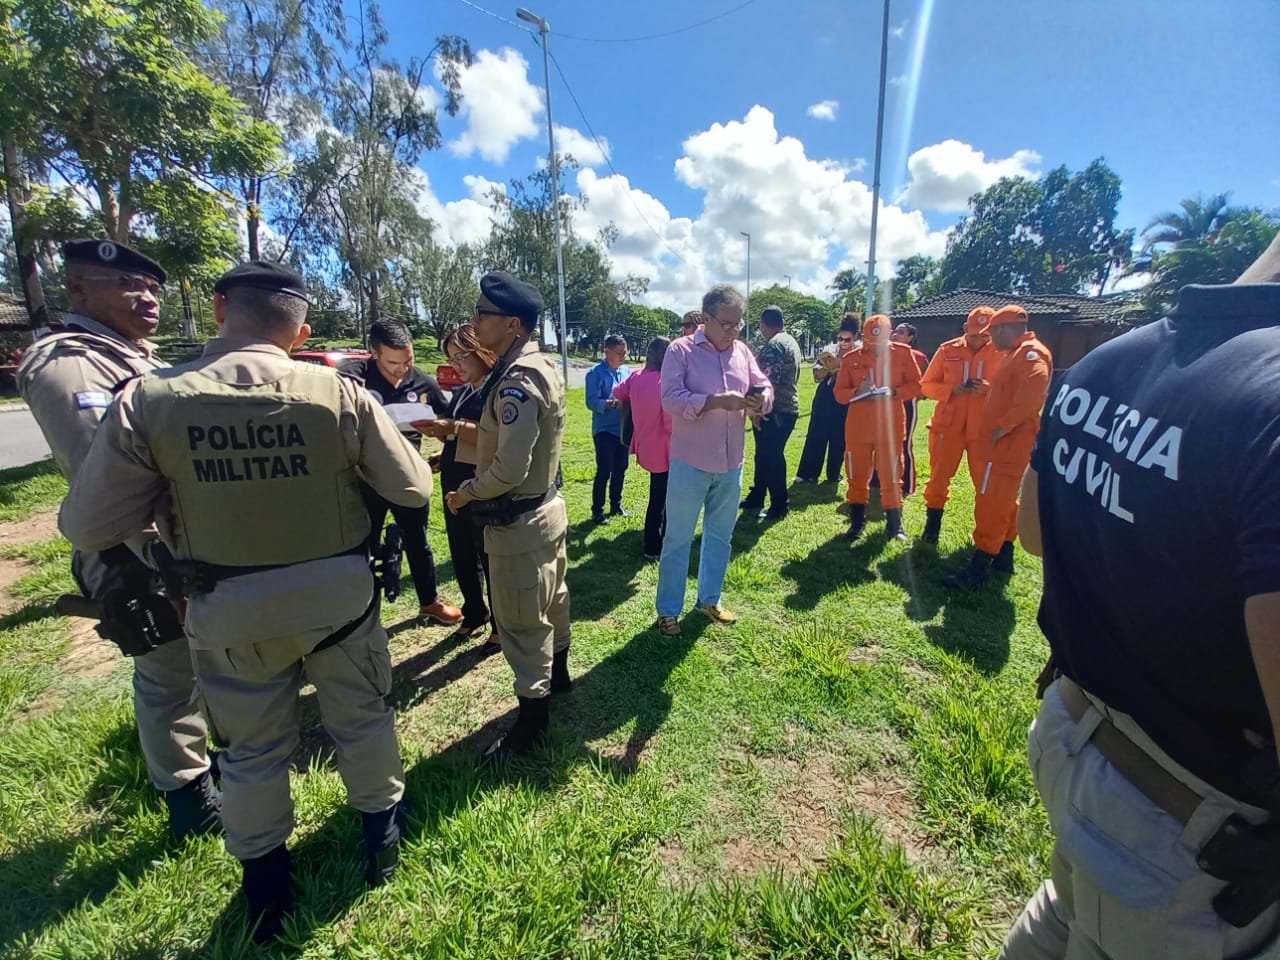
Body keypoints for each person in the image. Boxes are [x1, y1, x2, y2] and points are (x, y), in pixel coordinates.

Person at [58, 261, 432, 942]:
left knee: (251, 751)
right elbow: (412, 488)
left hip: (226, 604)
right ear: (301, 329)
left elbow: (86, 525)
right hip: (338, 598)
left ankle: (265, 885)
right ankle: (382, 841)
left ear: (222, 305)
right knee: (363, 720)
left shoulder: (150, 399)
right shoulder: (336, 392)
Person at [998, 234, 1280, 960]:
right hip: (1187, 832)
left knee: (1065, 910)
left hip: (1076, 733)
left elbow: (1030, 530)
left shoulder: (1111, 358)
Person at [16, 239, 218, 841]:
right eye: (129, 285)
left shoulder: (132, 356)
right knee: (166, 669)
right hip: (136, 553)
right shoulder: (71, 363)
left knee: (196, 661)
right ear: (78, 288)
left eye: (153, 288)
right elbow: (104, 483)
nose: (148, 297)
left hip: (178, 544)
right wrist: (166, 561)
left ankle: (209, 766)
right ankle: (190, 797)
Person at [445, 272, 571, 758]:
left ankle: (531, 724)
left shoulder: (518, 380)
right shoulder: (537, 364)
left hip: (519, 518)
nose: (475, 322)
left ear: (512, 324)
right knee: (554, 598)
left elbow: (509, 469)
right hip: (545, 508)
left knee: (521, 622)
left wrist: (465, 493)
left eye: (483, 314)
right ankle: (558, 679)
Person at [655, 284, 772, 638]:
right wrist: (715, 401)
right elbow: (671, 399)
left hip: (731, 463)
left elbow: (762, 383)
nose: (734, 331)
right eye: (727, 324)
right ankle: (668, 611)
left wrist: (761, 398)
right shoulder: (681, 351)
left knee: (720, 537)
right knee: (677, 538)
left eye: (739, 325)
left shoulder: (742, 352)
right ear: (706, 318)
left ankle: (709, 599)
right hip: (690, 463)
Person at [341, 320, 461, 626]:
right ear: (373, 353)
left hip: (407, 478)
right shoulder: (352, 379)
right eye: (394, 362)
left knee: (417, 541)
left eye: (408, 360)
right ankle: (360, 612)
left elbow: (447, 423)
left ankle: (429, 602)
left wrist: (442, 442)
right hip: (363, 479)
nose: (402, 368)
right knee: (361, 544)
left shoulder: (420, 383)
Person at [944, 304, 1051, 588]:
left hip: (1007, 446)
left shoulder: (1030, 354)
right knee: (1003, 502)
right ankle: (1003, 557)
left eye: (991, 333)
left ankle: (978, 568)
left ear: (1003, 329)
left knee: (991, 502)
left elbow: (1035, 389)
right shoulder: (1016, 353)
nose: (990, 340)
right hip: (1006, 444)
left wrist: (1005, 425)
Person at [418, 324, 500, 650]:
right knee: (462, 552)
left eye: (460, 356)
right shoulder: (463, 391)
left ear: (481, 350)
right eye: (451, 359)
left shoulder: (495, 390)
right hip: (454, 482)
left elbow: (489, 436)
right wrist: (444, 452)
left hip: (481, 485)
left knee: (488, 554)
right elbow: (460, 438)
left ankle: (500, 622)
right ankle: (474, 611)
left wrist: (451, 426)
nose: (456, 365)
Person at [833, 314, 922, 541]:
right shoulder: (851, 358)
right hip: (858, 428)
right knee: (856, 474)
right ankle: (856, 523)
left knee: (892, 475)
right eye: (870, 343)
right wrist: (857, 391)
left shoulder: (903, 354)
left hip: (889, 427)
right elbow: (839, 394)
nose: (875, 348)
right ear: (864, 337)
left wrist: (895, 392)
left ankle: (895, 525)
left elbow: (917, 385)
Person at [918, 307, 1003, 543]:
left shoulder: (1003, 351)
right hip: (948, 426)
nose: (979, 341)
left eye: (985, 336)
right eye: (975, 335)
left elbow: (1015, 390)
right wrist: (952, 390)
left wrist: (989, 390)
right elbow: (926, 385)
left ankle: (987, 536)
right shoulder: (947, 350)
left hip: (984, 430)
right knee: (938, 478)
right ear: (965, 329)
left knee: (986, 484)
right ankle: (931, 528)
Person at [612, 337, 673, 560]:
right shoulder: (665, 383)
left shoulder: (637, 376)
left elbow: (618, 392)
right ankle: (655, 544)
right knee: (663, 500)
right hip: (667, 449)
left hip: (645, 446)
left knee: (657, 497)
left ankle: (653, 543)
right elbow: (670, 423)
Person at [740, 305, 802, 520]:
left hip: (775, 411)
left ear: (763, 325)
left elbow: (767, 382)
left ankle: (779, 504)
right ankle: (757, 495)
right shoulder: (790, 341)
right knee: (764, 455)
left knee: (772, 457)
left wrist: (757, 411)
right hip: (785, 408)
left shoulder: (774, 346)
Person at [795, 313, 859, 484]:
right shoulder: (829, 350)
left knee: (840, 437)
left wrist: (844, 368)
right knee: (816, 433)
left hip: (846, 397)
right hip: (826, 394)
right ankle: (808, 474)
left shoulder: (859, 354)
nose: (843, 342)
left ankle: (834, 474)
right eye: (840, 338)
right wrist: (830, 368)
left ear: (855, 338)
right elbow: (816, 375)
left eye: (847, 339)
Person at [585, 334, 631, 524]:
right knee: (605, 470)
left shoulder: (626, 372)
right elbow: (591, 401)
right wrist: (611, 404)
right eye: (619, 353)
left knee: (621, 468)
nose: (623, 357)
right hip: (604, 430)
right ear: (607, 351)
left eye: (625, 352)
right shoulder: (595, 373)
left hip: (622, 429)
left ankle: (616, 504)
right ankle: (597, 510)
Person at [880, 321, 929, 498]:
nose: (895, 334)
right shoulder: (883, 352)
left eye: (901, 332)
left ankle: (907, 484)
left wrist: (902, 392)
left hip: (906, 402)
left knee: (904, 442)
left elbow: (923, 384)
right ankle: (879, 479)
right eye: (894, 331)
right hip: (882, 404)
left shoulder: (918, 357)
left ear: (910, 338)